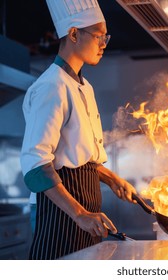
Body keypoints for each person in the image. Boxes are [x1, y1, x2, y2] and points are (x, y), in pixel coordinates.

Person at [20, 0, 136, 260]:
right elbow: (36, 165)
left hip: (84, 212)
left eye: (106, 36)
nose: (104, 44)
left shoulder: (85, 87)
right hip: (59, 214)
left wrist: (111, 178)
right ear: (73, 34)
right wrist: (80, 214)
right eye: (98, 36)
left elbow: (79, 156)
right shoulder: (52, 86)